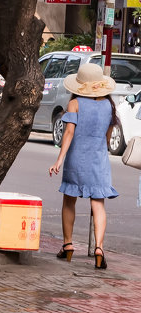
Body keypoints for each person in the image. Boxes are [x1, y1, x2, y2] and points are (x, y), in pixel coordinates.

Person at [48, 63, 119, 269]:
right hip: (99, 160)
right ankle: (99, 248)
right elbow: (107, 139)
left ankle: (68, 245)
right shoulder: (108, 105)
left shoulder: (75, 104)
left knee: (69, 201)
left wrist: (59, 160)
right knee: (98, 203)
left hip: (77, 159)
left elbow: (69, 133)